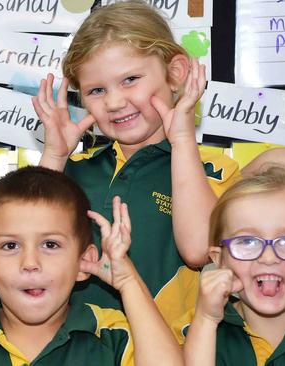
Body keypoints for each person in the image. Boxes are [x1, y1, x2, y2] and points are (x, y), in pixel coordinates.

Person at [31, 0, 240, 325]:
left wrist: (183, 140)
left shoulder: (213, 170)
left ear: (175, 73)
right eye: (97, 90)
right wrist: (55, 155)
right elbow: (25, 239)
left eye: (130, 80)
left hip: (166, 351)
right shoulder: (71, 170)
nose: (114, 102)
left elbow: (199, 249)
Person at [0, 167, 183, 366]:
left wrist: (128, 282)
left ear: (84, 261)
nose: (30, 263)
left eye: (50, 245)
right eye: (10, 246)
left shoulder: (112, 335)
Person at [174, 167, 285, 365]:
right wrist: (206, 320)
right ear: (219, 260)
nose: (269, 258)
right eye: (248, 241)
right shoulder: (195, 328)